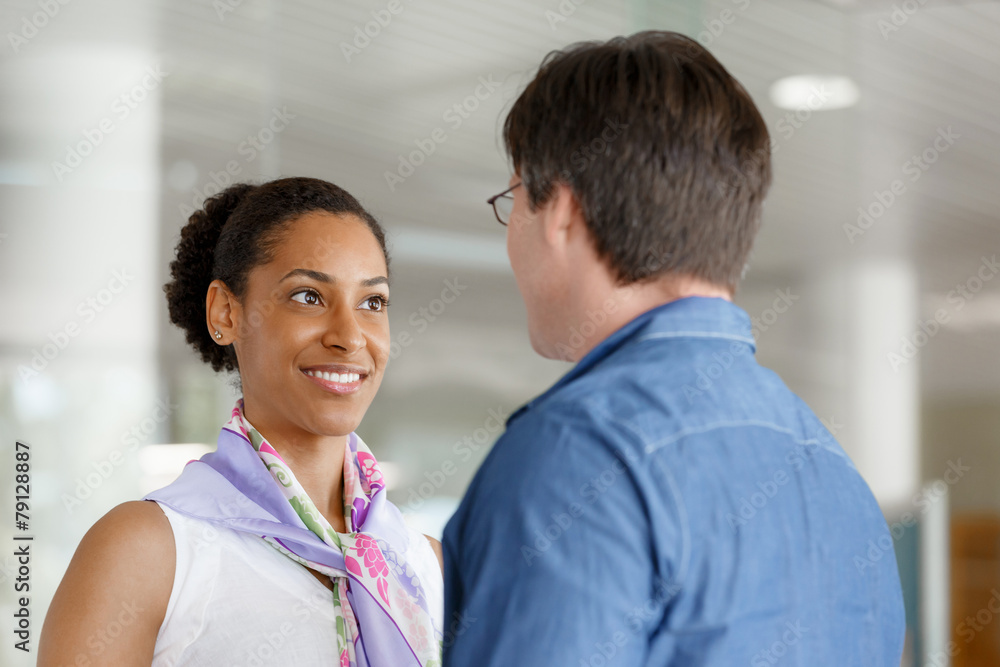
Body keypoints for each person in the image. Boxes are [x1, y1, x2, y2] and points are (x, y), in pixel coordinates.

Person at [443, 31, 905, 666]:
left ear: (563, 213)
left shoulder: (576, 456)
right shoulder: (837, 478)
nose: (509, 234)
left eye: (514, 199)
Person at [39, 177, 445, 667]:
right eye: (308, 296)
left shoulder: (428, 568)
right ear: (226, 313)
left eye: (372, 302)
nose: (350, 336)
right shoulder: (148, 552)